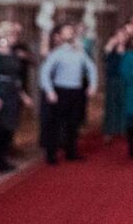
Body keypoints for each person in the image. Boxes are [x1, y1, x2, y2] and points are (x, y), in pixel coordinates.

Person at [38, 23, 98, 164]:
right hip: (61, 90)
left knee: (74, 122)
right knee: (56, 124)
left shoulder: (80, 52)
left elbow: (92, 68)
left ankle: (71, 151)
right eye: (67, 31)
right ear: (60, 35)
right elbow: (45, 72)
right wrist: (50, 90)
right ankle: (51, 154)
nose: (70, 33)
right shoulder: (56, 53)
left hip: (76, 91)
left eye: (71, 31)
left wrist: (93, 84)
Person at [0, 21, 32, 172]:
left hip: (12, 94)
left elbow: (16, 78)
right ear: (3, 35)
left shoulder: (13, 53)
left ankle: (3, 158)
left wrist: (23, 95)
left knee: (9, 128)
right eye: (12, 34)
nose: (15, 37)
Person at [101, 26, 130, 144]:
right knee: (111, 105)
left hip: (125, 80)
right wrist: (111, 44)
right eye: (118, 35)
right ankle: (109, 131)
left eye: (123, 35)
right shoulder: (110, 49)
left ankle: (122, 128)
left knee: (124, 104)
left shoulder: (129, 50)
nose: (121, 38)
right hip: (112, 79)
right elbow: (104, 57)